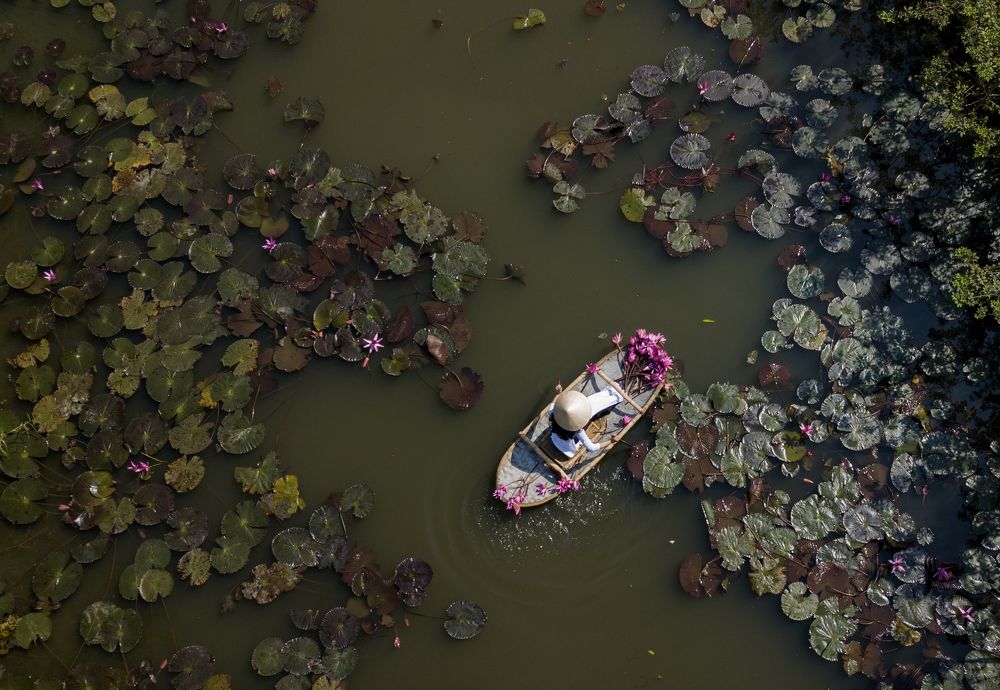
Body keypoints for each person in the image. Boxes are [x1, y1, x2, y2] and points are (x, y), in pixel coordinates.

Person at [546, 384, 622, 458]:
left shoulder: (552, 413)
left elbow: (553, 404)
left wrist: (558, 394)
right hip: (568, 449)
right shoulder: (578, 431)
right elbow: (592, 448)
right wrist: (611, 441)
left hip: (554, 438)